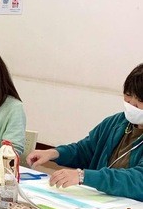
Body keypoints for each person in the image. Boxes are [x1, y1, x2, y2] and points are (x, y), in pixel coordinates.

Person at [26, 63, 143, 201]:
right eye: (128, 96)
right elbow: (85, 150)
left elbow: (137, 179)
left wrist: (83, 176)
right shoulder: (116, 122)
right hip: (102, 202)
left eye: (140, 100)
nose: (132, 104)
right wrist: (54, 153)